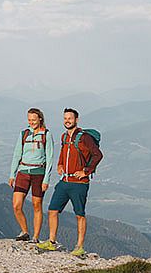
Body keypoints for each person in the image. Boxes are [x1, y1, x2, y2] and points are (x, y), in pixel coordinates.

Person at [37, 108, 102, 257]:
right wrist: (59, 165)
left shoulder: (85, 137)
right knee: (52, 210)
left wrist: (86, 171)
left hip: (79, 183)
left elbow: (98, 154)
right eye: (65, 118)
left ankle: (79, 246)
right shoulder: (64, 136)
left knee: (79, 214)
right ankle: (52, 242)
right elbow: (62, 153)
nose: (67, 121)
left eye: (70, 118)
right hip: (64, 180)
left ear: (76, 120)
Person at [8, 108, 55, 242]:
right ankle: (25, 231)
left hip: (38, 173)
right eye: (29, 120)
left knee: (37, 205)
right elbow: (17, 154)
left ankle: (35, 237)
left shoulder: (46, 134)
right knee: (16, 205)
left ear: (40, 118)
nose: (31, 122)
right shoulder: (24, 134)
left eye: (34, 119)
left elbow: (50, 158)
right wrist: (12, 174)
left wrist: (46, 179)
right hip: (23, 172)